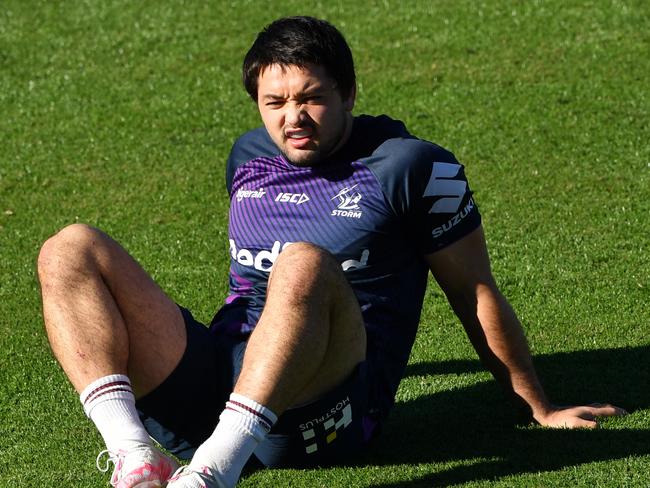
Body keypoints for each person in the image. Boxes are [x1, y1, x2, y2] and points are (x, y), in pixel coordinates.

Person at [37, 16, 626, 488]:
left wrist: (539, 408)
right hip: (224, 382)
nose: (292, 118)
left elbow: (473, 292)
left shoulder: (413, 166)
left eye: (311, 98)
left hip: (329, 406)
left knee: (302, 260)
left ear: (348, 92)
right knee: (69, 249)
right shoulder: (248, 157)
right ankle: (137, 456)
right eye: (274, 102)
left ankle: (213, 474)